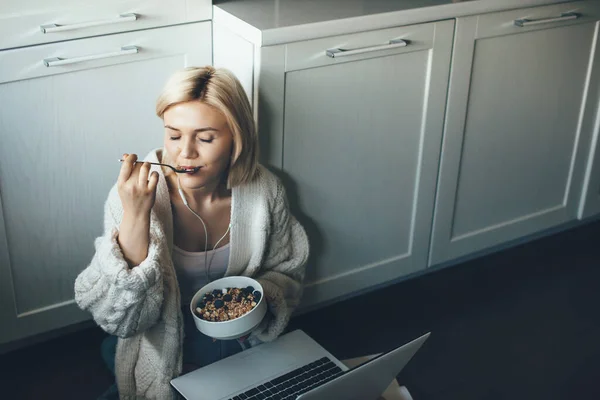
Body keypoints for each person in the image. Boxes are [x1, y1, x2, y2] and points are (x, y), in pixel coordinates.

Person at [74, 66, 310, 400]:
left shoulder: (265, 190)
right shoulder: (132, 195)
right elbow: (121, 321)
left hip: (241, 343)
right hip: (158, 342)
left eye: (205, 138)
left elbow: (287, 270)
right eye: (173, 135)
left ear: (236, 138)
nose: (185, 152)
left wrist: (255, 309)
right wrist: (136, 216)